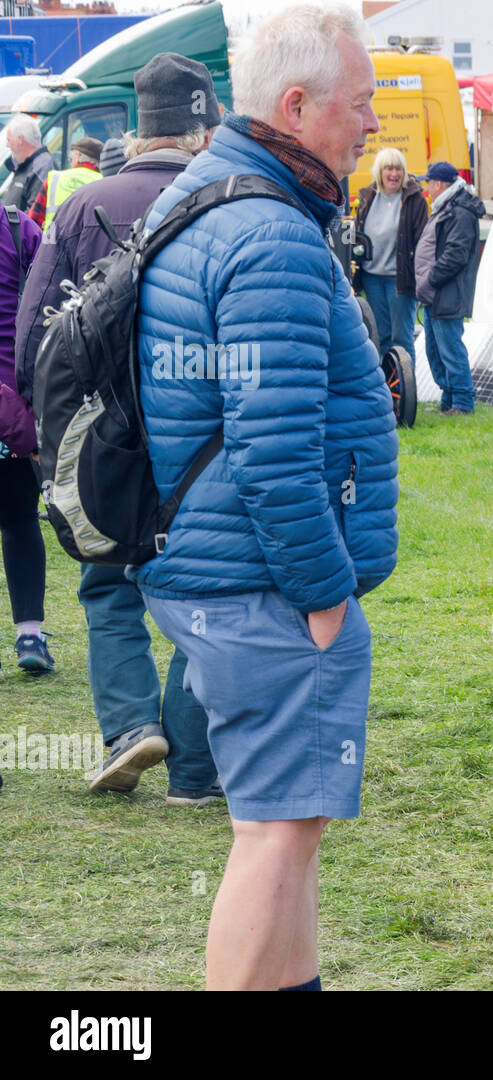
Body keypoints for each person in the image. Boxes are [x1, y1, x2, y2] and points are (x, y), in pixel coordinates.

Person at [132, 4, 397, 991]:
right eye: (362, 102)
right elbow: (274, 449)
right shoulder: (270, 233)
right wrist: (325, 593)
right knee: (276, 840)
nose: (372, 123)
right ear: (298, 105)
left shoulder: (212, 196)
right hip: (265, 586)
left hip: (216, 565)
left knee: (278, 832)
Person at [14, 53, 226, 805]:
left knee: (108, 585)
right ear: (205, 128)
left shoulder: (81, 205)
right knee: (206, 595)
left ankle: (133, 727)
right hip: (205, 438)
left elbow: (35, 337)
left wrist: (46, 431)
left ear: (138, 127)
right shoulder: (227, 195)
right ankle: (196, 772)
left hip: (104, 437)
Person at [0, 188, 47, 675]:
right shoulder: (18, 228)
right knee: (18, 520)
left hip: (10, 410)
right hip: (12, 409)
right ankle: (29, 636)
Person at [414, 160, 483, 415]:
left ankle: (463, 403)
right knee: (435, 350)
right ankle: (448, 400)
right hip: (437, 294)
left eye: (428, 183)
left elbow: (456, 254)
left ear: (439, 184)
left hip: (447, 292)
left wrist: (430, 278)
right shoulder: (447, 207)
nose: (427, 188)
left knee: (450, 349)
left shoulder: (459, 211)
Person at [353, 147, 426, 363]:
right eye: (389, 169)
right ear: (379, 172)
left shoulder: (414, 200)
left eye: (398, 169)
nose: (394, 174)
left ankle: (406, 393)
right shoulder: (367, 197)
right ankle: (386, 390)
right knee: (380, 337)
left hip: (400, 280)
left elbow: (423, 241)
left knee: (401, 339)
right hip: (372, 278)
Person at [28, 137, 102, 232]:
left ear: (77, 156)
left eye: (70, 159)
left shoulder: (54, 179)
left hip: (52, 243)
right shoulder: (104, 182)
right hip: (88, 245)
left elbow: (33, 222)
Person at [1, 115, 53, 214]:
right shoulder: (25, 166)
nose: (7, 145)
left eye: (9, 140)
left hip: (19, 229)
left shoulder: (41, 167)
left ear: (20, 139)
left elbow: (34, 215)